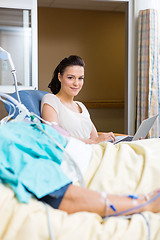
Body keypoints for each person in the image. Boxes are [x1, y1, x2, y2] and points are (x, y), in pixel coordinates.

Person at [0, 120, 160, 218]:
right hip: (99, 167)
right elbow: (59, 195)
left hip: (106, 152)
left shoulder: (12, 128)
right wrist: (144, 203)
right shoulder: (4, 142)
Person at [41, 55, 116, 144]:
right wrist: (93, 142)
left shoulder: (81, 106)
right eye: (70, 78)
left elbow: (95, 138)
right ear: (60, 77)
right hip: (76, 154)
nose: (76, 83)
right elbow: (54, 135)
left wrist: (104, 139)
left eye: (80, 78)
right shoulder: (51, 100)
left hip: (95, 151)